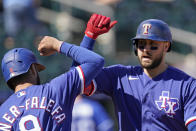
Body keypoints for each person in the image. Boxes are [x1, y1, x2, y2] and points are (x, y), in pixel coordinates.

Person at [73, 13, 196, 130]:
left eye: (153, 44)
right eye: (141, 44)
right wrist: (89, 37)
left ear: (166, 46)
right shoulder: (120, 76)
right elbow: (75, 81)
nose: (146, 50)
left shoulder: (187, 85)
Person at [0, 34, 105, 130]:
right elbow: (95, 61)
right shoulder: (53, 90)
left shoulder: (2, 112)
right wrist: (58, 45)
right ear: (32, 69)